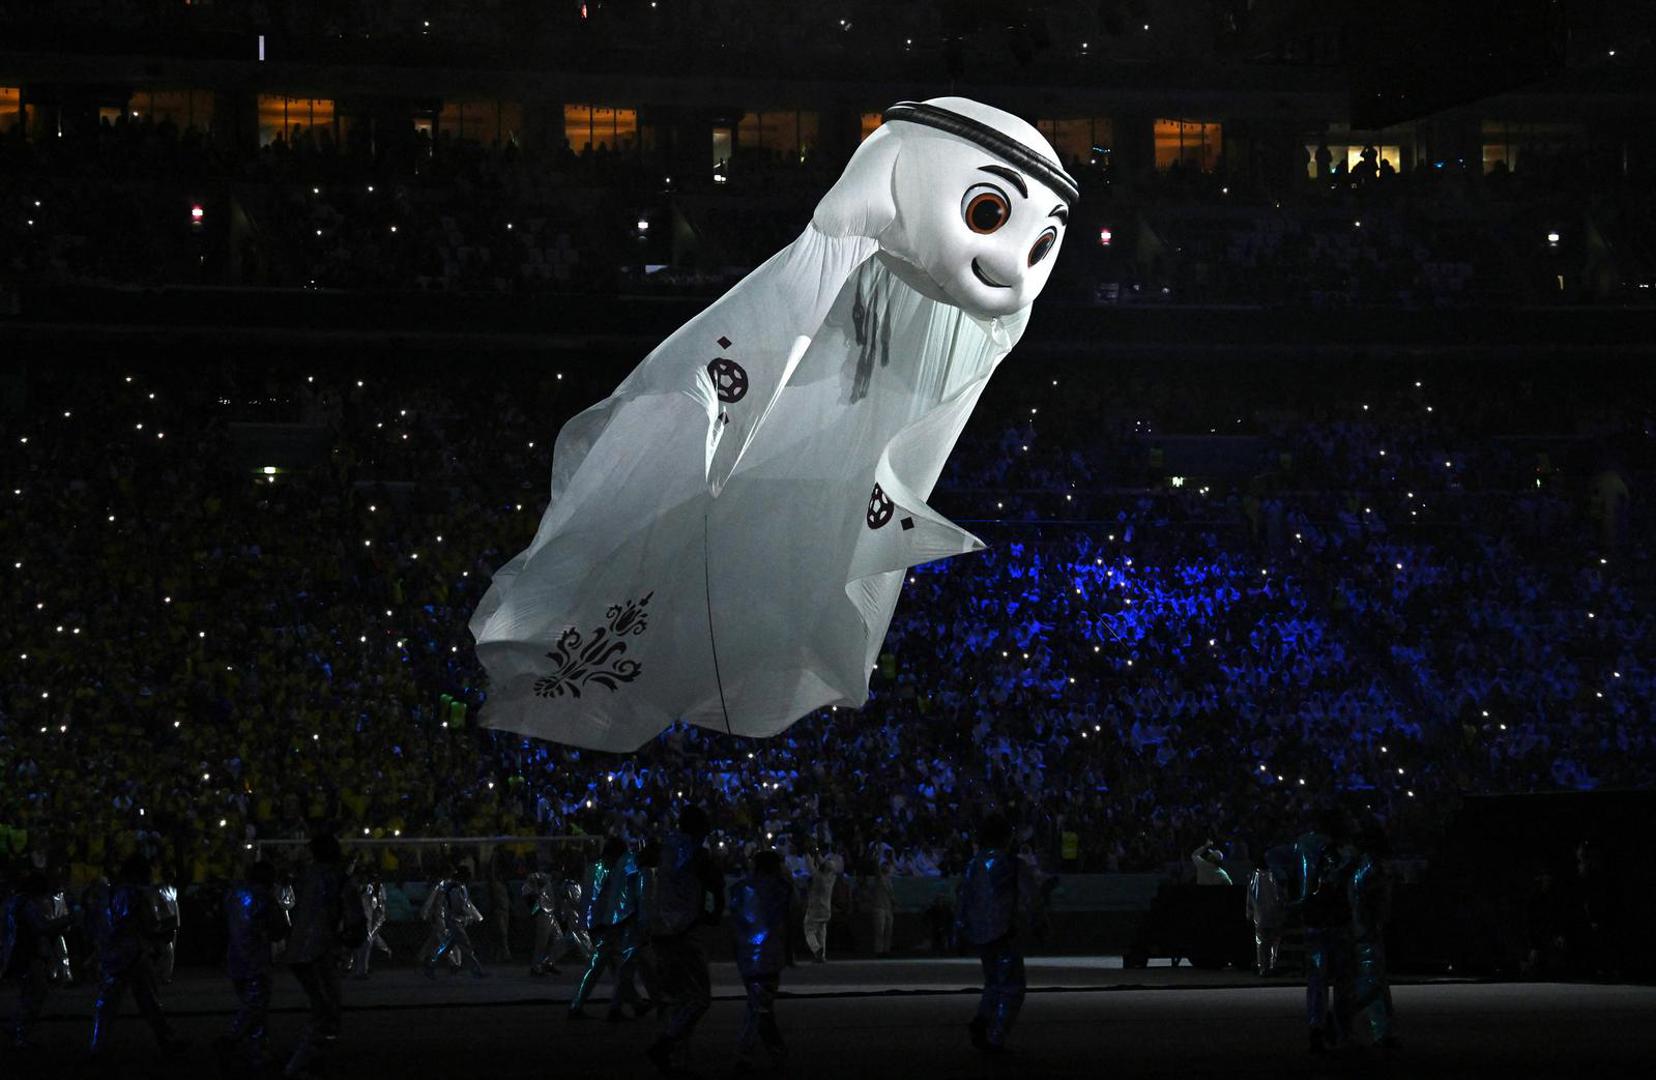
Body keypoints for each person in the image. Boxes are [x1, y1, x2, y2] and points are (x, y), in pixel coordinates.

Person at [646, 806, 725, 1076]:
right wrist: (713, 912)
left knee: (676, 996)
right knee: (700, 997)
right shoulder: (697, 853)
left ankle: (677, 1056)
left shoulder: (666, 847)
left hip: (659, 930)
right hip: (683, 930)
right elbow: (716, 884)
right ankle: (666, 1043)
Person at [285, 831, 367, 1077]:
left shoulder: (305, 877)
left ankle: (310, 1060)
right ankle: (302, 1065)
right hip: (319, 951)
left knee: (321, 1007)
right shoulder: (339, 879)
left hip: (297, 949)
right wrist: (348, 941)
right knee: (327, 1011)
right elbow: (355, 920)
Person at [89, 852, 184, 1058]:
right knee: (149, 1001)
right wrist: (164, 929)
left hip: (113, 953)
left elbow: (101, 924)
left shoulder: (109, 893)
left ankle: (98, 1045)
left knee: (107, 1004)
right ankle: (166, 1040)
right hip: (134, 953)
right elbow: (147, 923)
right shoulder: (138, 894)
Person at [956, 814, 1035, 1055]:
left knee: (992, 982)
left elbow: (963, 898)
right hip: (1005, 932)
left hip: (981, 933)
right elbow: (1031, 897)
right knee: (1012, 987)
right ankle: (996, 1037)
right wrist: (1039, 922)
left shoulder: (973, 864)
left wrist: (960, 929)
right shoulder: (1012, 864)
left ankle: (983, 1018)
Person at [217, 860, 290, 1069]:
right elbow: (279, 930)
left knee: (254, 1008)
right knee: (256, 1006)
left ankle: (258, 1052)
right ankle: (232, 1039)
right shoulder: (264, 897)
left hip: (235, 956)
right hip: (256, 959)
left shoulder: (233, 895)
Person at [1293, 811, 1354, 1054]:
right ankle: (1340, 1031)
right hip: (1336, 923)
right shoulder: (1341, 852)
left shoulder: (1305, 846)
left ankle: (1317, 1026)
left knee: (1317, 980)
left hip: (1316, 922)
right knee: (1342, 981)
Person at [728, 850, 791, 1073]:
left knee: (759, 1006)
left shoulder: (739, 888)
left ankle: (773, 1053)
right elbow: (783, 918)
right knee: (760, 1008)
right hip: (767, 955)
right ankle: (746, 1053)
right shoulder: (779, 888)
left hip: (746, 955)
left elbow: (735, 921)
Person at [568, 837, 645, 1020]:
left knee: (614, 967)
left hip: (594, 923)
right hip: (607, 923)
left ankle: (633, 1004)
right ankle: (580, 1005)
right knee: (604, 966)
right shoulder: (616, 869)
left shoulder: (593, 868)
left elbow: (588, 897)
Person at [1340, 824, 1399, 1049]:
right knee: (1373, 980)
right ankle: (1350, 1018)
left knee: (1376, 980)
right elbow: (1372, 902)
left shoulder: (1362, 867)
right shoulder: (1371, 868)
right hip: (1366, 930)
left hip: (1363, 929)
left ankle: (1382, 1031)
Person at [3, 868, 73, 1051]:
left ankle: (16, 1028)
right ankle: (21, 1033)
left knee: (28, 993)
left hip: (20, 952)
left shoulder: (15, 902)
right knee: (36, 993)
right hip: (28, 953)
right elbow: (41, 927)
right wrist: (65, 921)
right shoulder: (28, 904)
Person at [424, 863, 488, 978]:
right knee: (465, 946)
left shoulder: (456, 887)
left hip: (455, 921)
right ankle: (476, 971)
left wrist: (474, 916)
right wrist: (471, 916)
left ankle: (431, 966)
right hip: (455, 921)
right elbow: (460, 906)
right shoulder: (454, 888)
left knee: (446, 947)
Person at [523, 862, 563, 976]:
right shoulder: (536, 877)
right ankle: (536, 967)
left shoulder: (545, 878)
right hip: (543, 912)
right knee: (542, 941)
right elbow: (531, 887)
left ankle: (548, 963)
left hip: (549, 912)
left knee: (558, 938)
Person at [351, 869, 392, 978]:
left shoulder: (375, 888)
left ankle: (362, 969)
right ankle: (360, 969)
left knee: (367, 942)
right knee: (364, 943)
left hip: (368, 919)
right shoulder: (363, 888)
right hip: (361, 919)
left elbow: (378, 906)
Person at [1246, 865, 1285, 976]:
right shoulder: (1274, 875)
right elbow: (1280, 895)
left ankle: (1263, 967)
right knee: (1273, 941)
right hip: (1272, 914)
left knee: (1262, 942)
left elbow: (1250, 896)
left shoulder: (1254, 876)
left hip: (1260, 915)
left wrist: (1249, 912)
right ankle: (1270, 966)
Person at [802, 846, 840, 962]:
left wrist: (808, 853)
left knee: (809, 930)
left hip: (815, 908)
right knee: (822, 932)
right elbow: (825, 865)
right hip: (826, 908)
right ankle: (821, 956)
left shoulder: (818, 877)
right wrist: (817, 853)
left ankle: (816, 948)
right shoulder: (832, 877)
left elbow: (810, 866)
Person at [863, 856, 896, 958]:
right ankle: (879, 951)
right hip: (879, 907)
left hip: (888, 908)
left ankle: (886, 950)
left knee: (888, 931)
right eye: (884, 865)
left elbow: (891, 895)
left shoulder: (889, 880)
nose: (886, 867)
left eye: (887, 866)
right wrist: (876, 856)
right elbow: (876, 868)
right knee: (880, 931)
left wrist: (894, 903)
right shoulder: (879, 878)